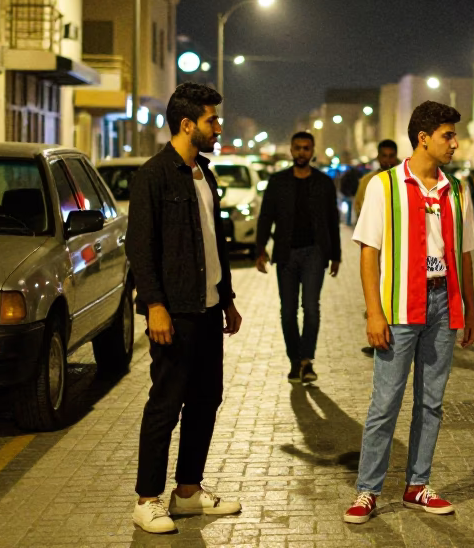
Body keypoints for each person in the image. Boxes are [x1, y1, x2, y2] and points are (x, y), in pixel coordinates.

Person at [343, 101, 474, 524]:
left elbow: (465, 253)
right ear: (424, 137)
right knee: (385, 402)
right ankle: (368, 490)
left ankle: (417, 485)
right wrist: (373, 312)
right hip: (400, 308)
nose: (455, 144)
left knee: (431, 402)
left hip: (442, 305)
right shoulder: (384, 186)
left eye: (455, 136)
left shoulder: (457, 189)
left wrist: (469, 311)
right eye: (448, 135)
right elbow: (369, 253)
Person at [126, 82, 243, 534]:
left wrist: (227, 299)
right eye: (213, 120)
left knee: (206, 399)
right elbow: (142, 247)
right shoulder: (154, 175)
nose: (218, 127)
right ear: (187, 124)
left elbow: (214, 243)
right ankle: (147, 498)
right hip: (175, 311)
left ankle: (188, 492)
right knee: (165, 402)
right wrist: (154, 304)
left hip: (209, 307)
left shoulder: (204, 174)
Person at [255, 131, 342, 385]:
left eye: (306, 148)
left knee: (311, 308)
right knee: (288, 311)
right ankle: (295, 360)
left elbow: (332, 221)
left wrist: (335, 255)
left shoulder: (324, 183)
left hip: (315, 252)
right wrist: (260, 248)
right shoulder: (278, 181)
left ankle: (307, 361)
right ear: (291, 151)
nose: (302, 152)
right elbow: (266, 216)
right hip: (286, 253)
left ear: (312, 151)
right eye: (298, 148)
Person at [353, 139, 400, 357]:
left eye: (392, 156)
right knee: (374, 291)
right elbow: (360, 210)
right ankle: (377, 337)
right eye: (385, 156)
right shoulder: (368, 182)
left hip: (398, 247)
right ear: (379, 157)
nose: (388, 160)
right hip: (375, 247)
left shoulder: (402, 180)